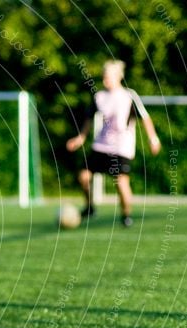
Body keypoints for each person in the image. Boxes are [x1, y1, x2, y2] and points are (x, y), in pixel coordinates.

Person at [66, 59, 160, 227]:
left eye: (108, 77)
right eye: (103, 77)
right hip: (101, 145)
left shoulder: (129, 95)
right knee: (83, 177)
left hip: (121, 147)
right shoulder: (99, 96)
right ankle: (90, 208)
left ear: (119, 77)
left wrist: (153, 139)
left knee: (121, 182)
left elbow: (145, 118)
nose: (104, 80)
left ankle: (126, 215)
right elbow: (89, 118)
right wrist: (81, 137)